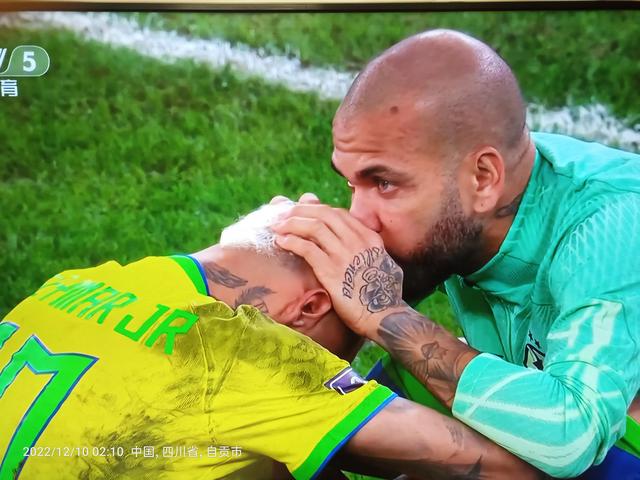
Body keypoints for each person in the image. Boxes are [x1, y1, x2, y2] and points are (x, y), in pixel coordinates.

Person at [271, 29, 640, 479]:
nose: (360, 217)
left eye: (384, 183)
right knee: (313, 426)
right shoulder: (461, 178)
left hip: (603, 430)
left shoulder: (610, 226)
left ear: (483, 179)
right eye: (352, 184)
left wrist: (385, 314)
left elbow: (571, 436)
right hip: (544, 382)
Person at [0, 202, 539, 480]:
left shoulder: (79, 282)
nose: (343, 364)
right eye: (353, 340)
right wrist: (384, 315)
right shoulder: (253, 356)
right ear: (311, 308)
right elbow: (515, 468)